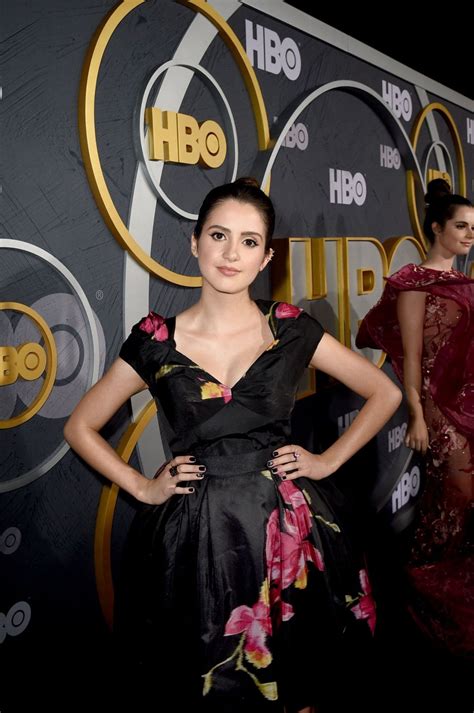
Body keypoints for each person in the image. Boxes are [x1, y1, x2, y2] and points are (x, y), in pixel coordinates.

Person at [64, 177, 401, 712]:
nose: (230, 254)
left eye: (248, 242)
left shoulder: (291, 330)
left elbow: (383, 391)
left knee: (297, 683)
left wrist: (327, 459)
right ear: (195, 241)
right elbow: (80, 425)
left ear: (266, 257)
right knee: (203, 683)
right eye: (218, 236)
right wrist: (142, 488)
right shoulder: (154, 342)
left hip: (286, 528)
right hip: (194, 536)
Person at [357, 179, 474, 657]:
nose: (469, 236)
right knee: (457, 502)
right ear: (436, 228)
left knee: (459, 509)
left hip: (469, 407)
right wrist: (417, 416)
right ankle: (422, 592)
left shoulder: (466, 284)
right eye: (461, 227)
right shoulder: (412, 281)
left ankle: (456, 599)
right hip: (437, 413)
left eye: (473, 229)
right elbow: (410, 357)